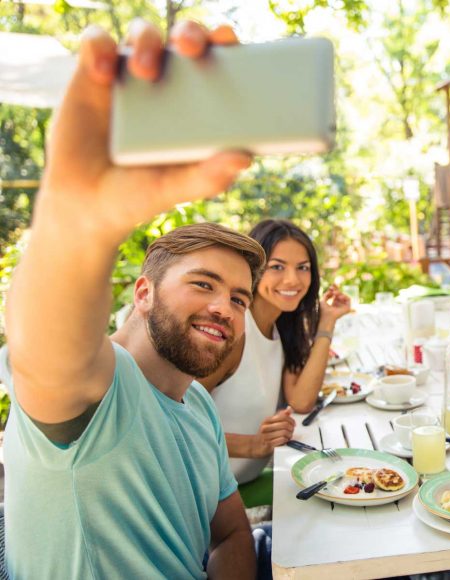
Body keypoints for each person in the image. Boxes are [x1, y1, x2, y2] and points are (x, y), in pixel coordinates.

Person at [0, 20, 268, 578]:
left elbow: (230, 532)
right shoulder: (100, 387)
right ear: (143, 294)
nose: (226, 306)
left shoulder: (196, 405)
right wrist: (82, 221)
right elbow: (46, 345)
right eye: (203, 284)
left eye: (240, 299)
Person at [200, 219, 351, 505]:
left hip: (243, 483)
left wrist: (327, 321)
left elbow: (302, 401)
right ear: (253, 269)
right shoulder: (233, 330)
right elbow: (174, 422)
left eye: (302, 267)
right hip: (207, 495)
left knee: (346, 483)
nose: (293, 280)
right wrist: (253, 445)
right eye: (277, 267)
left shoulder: (282, 325)